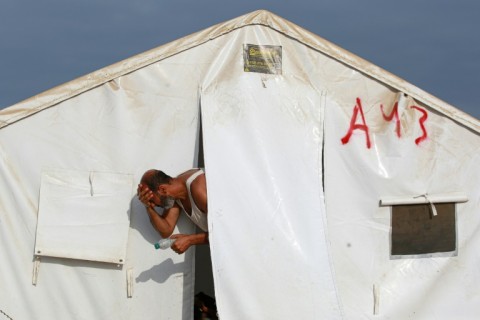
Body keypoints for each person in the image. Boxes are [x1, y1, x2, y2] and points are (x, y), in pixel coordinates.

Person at [137, 168, 208, 254]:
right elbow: (166, 230)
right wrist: (148, 207)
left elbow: (225, 229)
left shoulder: (199, 190)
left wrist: (191, 240)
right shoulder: (176, 191)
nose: (154, 205)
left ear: (162, 189)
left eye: (151, 200)